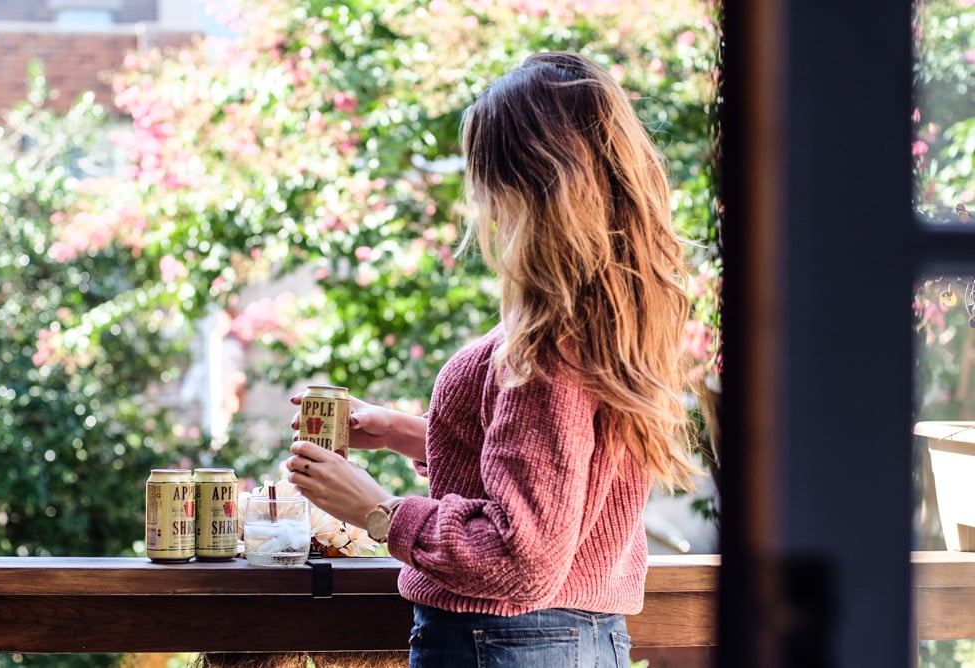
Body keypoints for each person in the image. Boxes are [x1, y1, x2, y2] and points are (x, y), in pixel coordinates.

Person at [285, 50, 699, 667]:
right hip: (574, 639)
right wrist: (408, 433)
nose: (481, 201)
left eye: (485, 175)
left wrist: (377, 511)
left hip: (505, 643)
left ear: (527, 185)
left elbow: (521, 557)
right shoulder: (597, 323)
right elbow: (558, 481)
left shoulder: (543, 350)